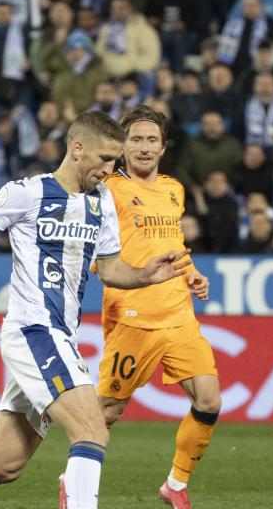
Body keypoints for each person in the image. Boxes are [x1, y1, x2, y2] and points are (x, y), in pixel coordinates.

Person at [0, 111, 190, 509]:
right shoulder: (27, 192)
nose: (111, 169)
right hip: (33, 332)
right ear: (78, 150)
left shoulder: (102, 201)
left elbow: (109, 268)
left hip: (60, 336)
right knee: (92, 430)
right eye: (106, 159)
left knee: (4, 463)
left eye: (115, 161)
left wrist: (145, 275)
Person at [95, 106, 214, 508]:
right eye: (136, 139)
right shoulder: (106, 189)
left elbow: (174, 245)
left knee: (209, 400)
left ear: (163, 148)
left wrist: (192, 273)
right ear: (122, 146)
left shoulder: (174, 189)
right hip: (132, 315)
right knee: (107, 411)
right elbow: (98, 253)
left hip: (179, 314)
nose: (144, 147)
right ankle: (74, 482)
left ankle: (176, 486)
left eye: (151, 140)